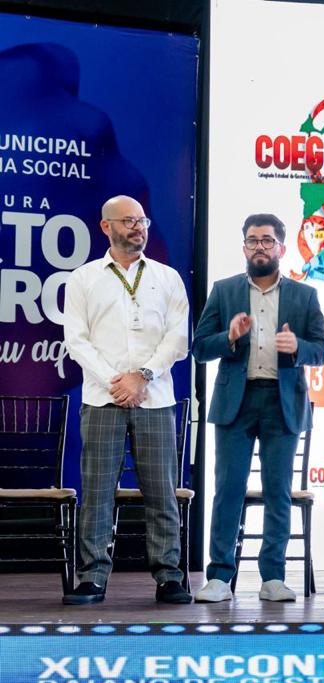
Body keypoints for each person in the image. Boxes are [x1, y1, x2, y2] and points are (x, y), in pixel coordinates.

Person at [192, 213, 324, 603]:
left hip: (282, 402)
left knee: (277, 492)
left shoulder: (304, 295)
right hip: (236, 402)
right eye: (253, 240)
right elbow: (200, 348)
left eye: (267, 240)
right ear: (244, 247)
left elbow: (322, 350)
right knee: (228, 489)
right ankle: (220, 577)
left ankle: (273, 577)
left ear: (281, 248)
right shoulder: (224, 291)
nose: (260, 247)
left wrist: (298, 348)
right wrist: (229, 337)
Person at [61, 195, 190, 604]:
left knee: (162, 493)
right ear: (106, 227)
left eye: (142, 220)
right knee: (97, 492)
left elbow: (178, 339)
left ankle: (169, 576)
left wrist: (143, 376)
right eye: (129, 221)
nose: (138, 228)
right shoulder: (83, 278)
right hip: (103, 400)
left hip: (156, 399)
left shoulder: (167, 277)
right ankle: (92, 577)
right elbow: (76, 340)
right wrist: (116, 382)